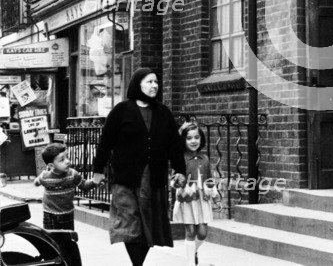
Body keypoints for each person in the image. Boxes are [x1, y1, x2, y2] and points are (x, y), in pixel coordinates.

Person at [92, 68, 186, 266]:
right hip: (127, 178)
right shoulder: (121, 110)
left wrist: (180, 170)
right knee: (130, 223)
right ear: (138, 84)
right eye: (149, 82)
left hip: (154, 177)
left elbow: (175, 145)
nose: (154, 86)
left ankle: (138, 263)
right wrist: (98, 171)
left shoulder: (163, 112)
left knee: (147, 225)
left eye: (156, 82)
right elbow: (105, 142)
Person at [172, 122, 217, 266]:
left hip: (202, 199)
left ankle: (194, 251)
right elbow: (174, 178)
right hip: (187, 199)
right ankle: (191, 263)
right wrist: (177, 182)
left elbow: (210, 179)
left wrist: (215, 196)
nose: (193, 141)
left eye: (196, 137)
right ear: (183, 140)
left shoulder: (205, 159)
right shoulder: (179, 158)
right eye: (189, 138)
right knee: (190, 231)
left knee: (203, 233)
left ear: (201, 139)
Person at [34, 143, 96, 230]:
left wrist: (94, 182)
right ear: (51, 165)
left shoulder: (73, 174)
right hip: (49, 214)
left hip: (68, 214)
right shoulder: (45, 176)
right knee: (52, 239)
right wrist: (37, 181)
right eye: (62, 160)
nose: (67, 161)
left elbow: (84, 185)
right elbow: (36, 182)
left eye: (66, 157)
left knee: (68, 239)